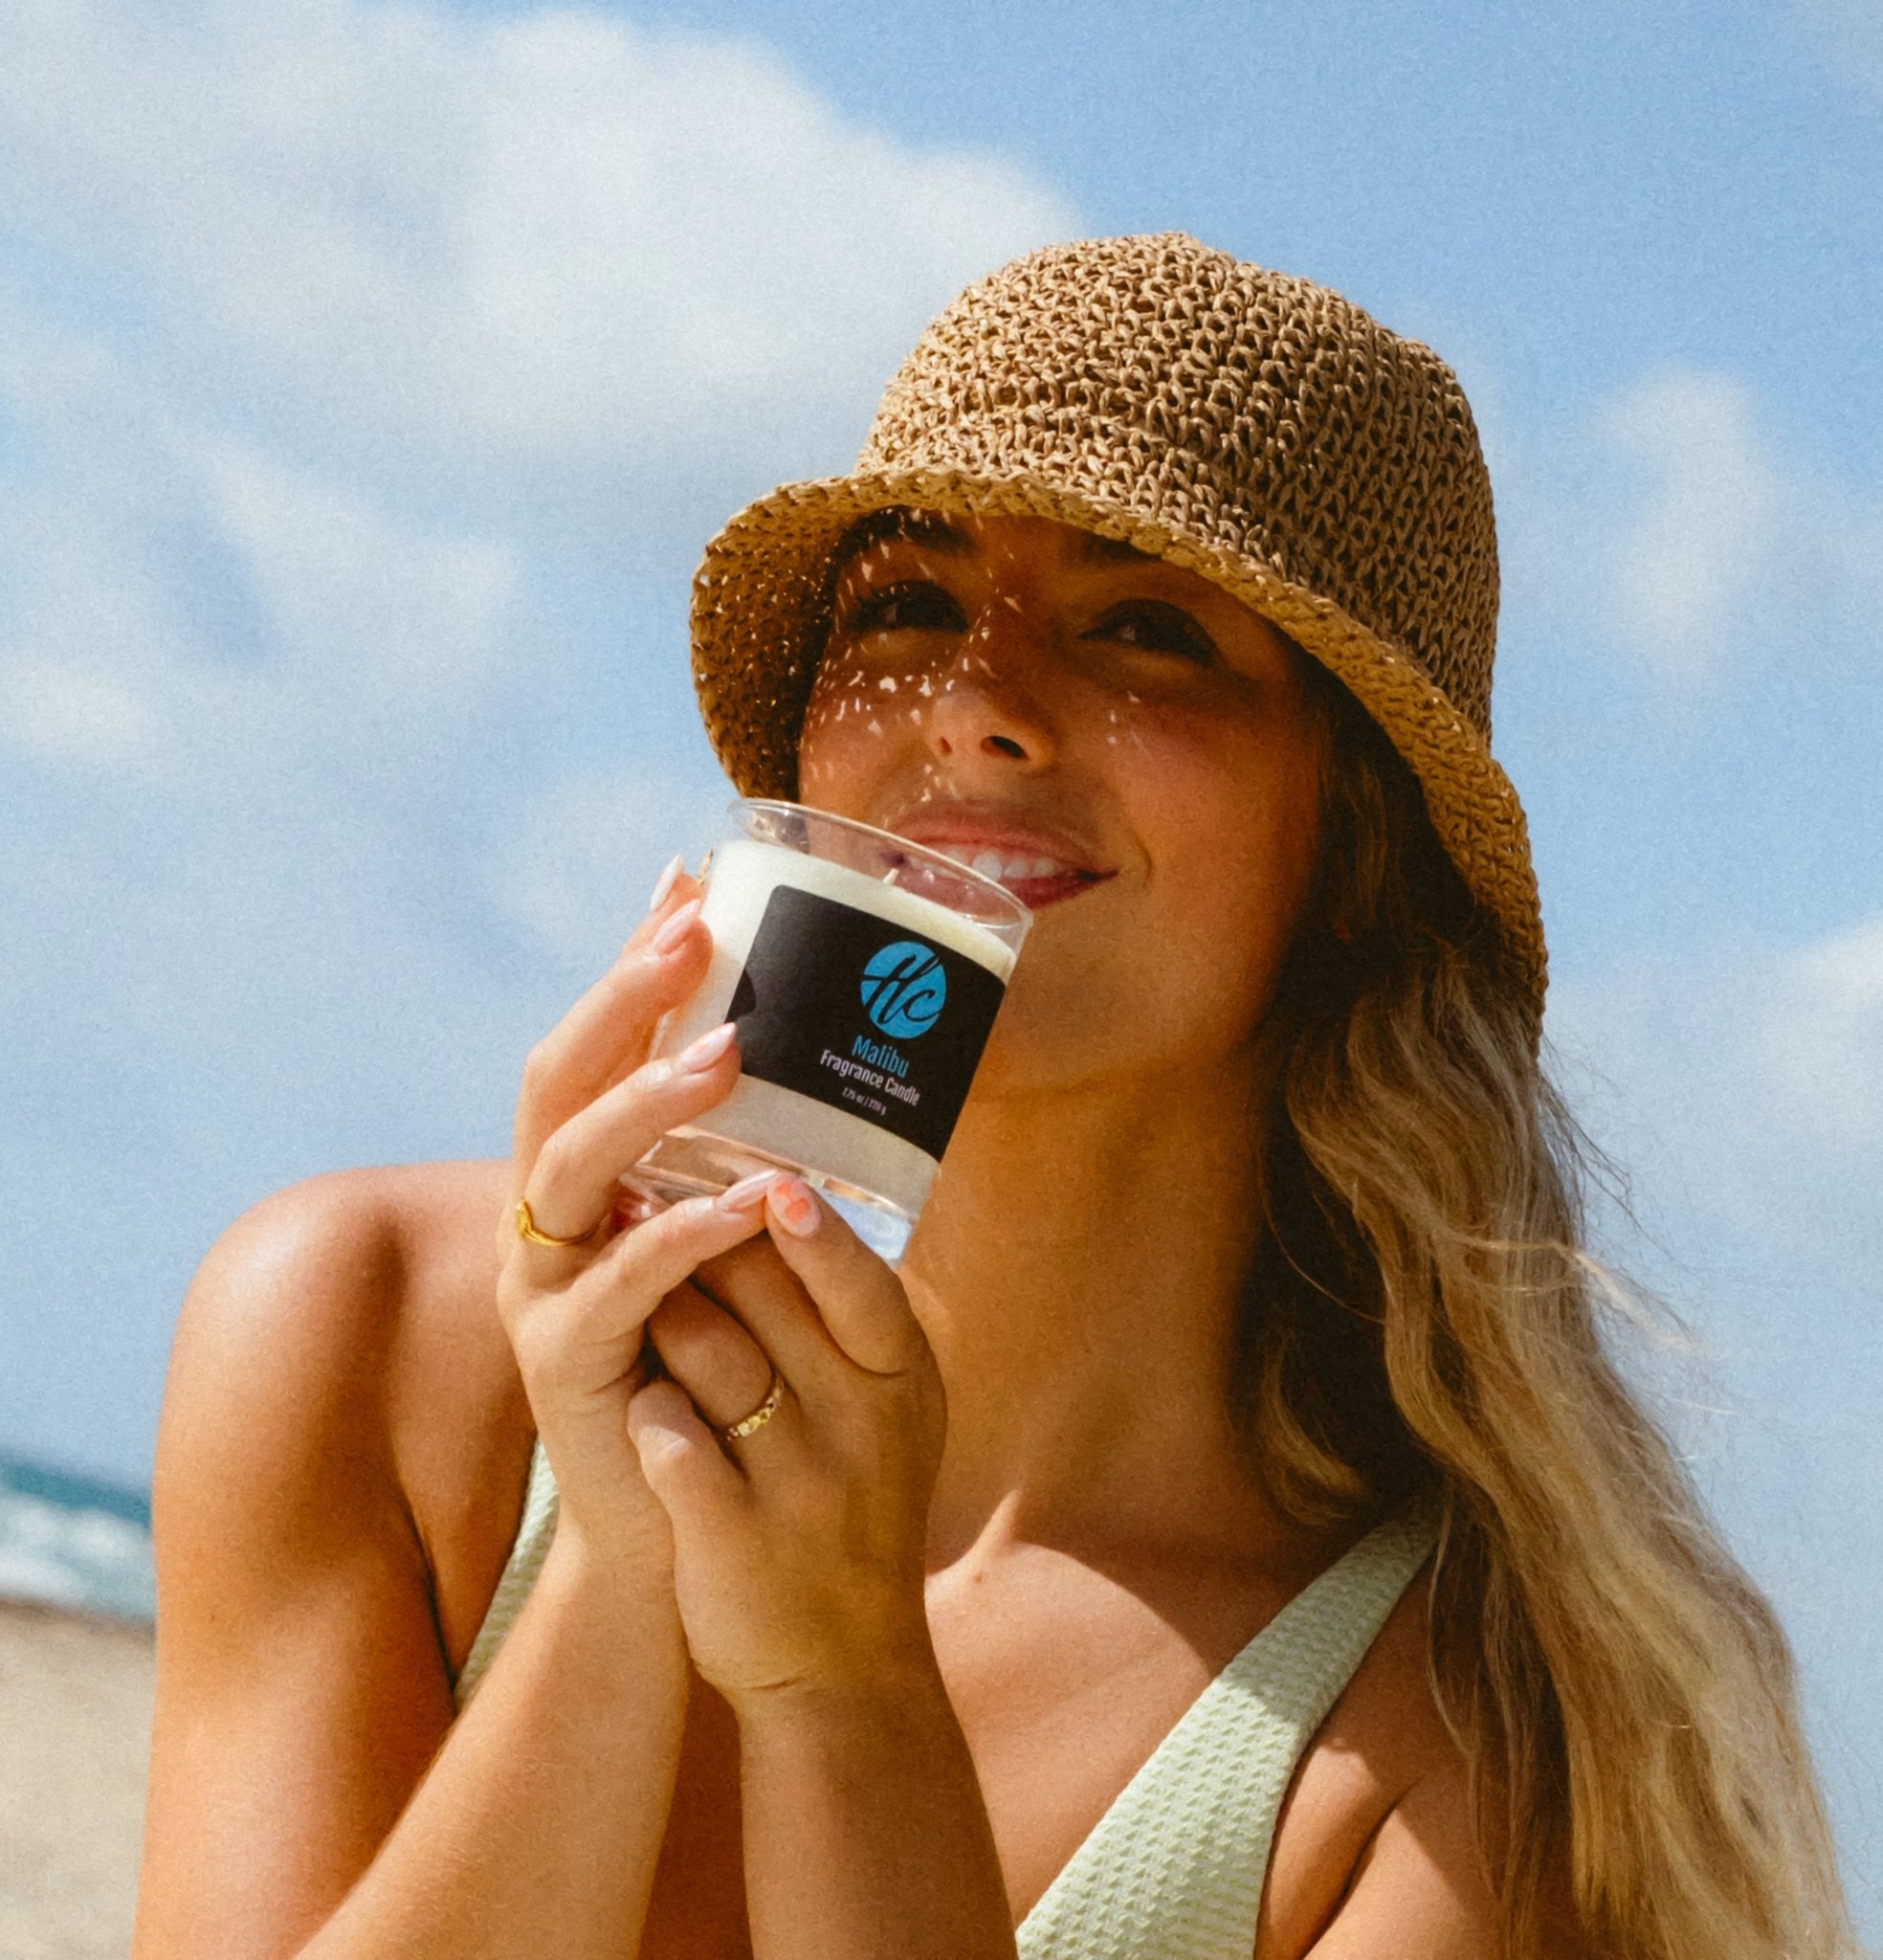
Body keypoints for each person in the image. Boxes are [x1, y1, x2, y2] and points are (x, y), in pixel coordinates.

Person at [133, 234, 1857, 1960]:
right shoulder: (366, 1333)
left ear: (1354, 849)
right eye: (907, 605)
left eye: (1148, 629)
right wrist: (622, 1555)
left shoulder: (1451, 1750)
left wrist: (845, 1684)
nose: (980, 708)